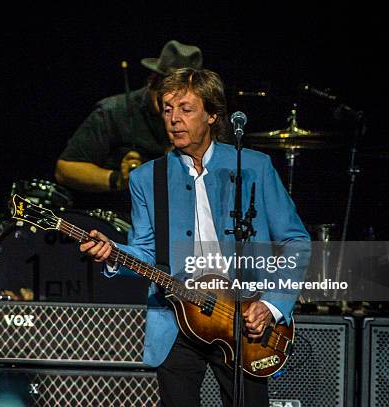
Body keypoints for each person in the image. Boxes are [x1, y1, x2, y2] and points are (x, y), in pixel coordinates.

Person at [80, 68, 311, 406]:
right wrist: (113, 252)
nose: (174, 119)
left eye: (186, 109)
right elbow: (146, 251)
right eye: (168, 109)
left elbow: (296, 240)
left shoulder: (254, 167)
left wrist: (272, 304)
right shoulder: (147, 178)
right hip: (175, 319)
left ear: (212, 115)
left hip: (241, 318)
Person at [55, 40, 203, 215]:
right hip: (119, 220)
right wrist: (118, 179)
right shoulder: (115, 111)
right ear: (152, 82)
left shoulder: (204, 117)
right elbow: (65, 169)